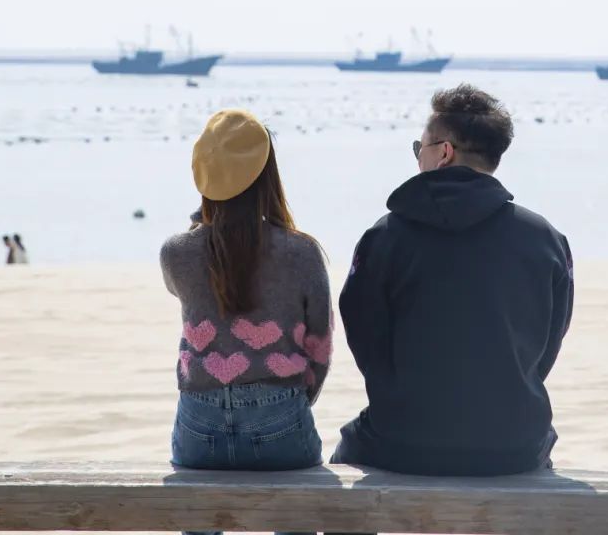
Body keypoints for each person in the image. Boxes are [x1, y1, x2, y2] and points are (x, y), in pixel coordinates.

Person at [334, 83, 573, 476]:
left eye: (419, 147)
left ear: (443, 152)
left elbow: (364, 336)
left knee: (344, 457)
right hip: (513, 444)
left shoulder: (385, 236)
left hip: (402, 439)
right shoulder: (546, 239)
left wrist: (399, 392)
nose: (418, 156)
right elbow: (548, 341)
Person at [161, 109, 331, 533]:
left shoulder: (176, 252)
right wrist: (293, 398)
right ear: (268, 176)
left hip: (199, 422)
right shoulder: (301, 253)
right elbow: (320, 347)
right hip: (280, 416)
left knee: (199, 518)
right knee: (297, 515)